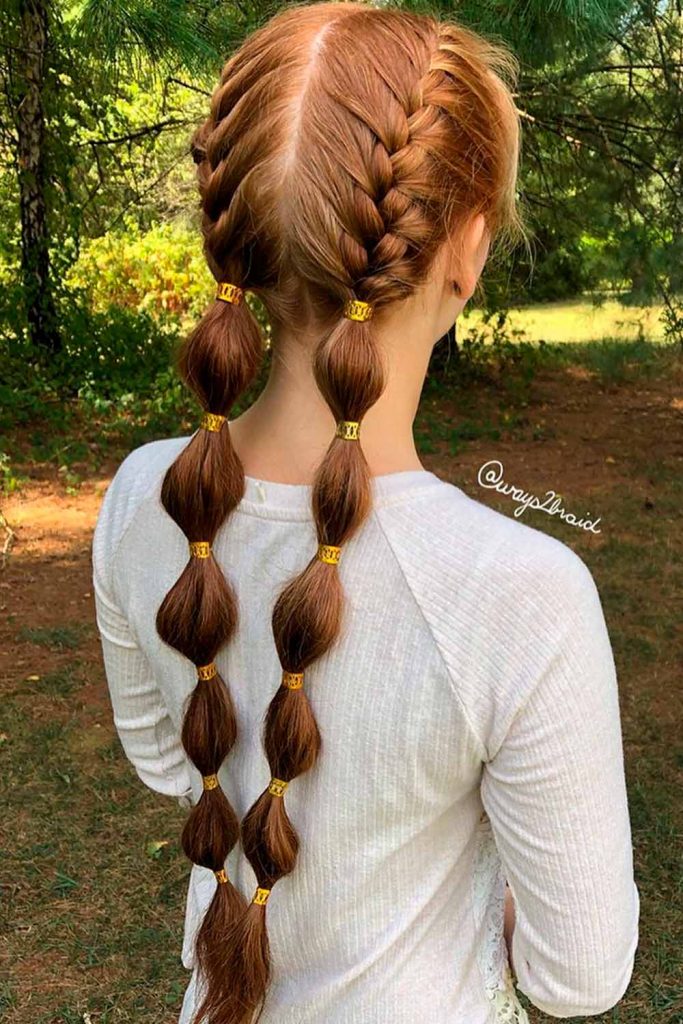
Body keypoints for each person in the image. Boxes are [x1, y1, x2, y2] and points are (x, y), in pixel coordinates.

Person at [91, 4, 640, 1023]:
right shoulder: (518, 592)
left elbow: (175, 758)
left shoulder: (141, 500)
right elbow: (580, 973)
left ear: (238, 233)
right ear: (466, 247)